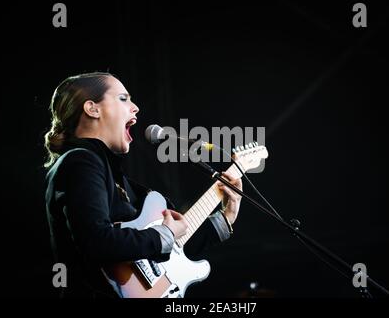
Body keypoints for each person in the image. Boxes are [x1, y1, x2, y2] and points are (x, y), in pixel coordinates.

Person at [44, 72, 242, 298]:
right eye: (123, 98)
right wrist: (162, 235)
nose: (135, 107)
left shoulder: (115, 177)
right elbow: (96, 240)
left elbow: (171, 250)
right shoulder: (80, 160)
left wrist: (227, 214)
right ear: (92, 109)